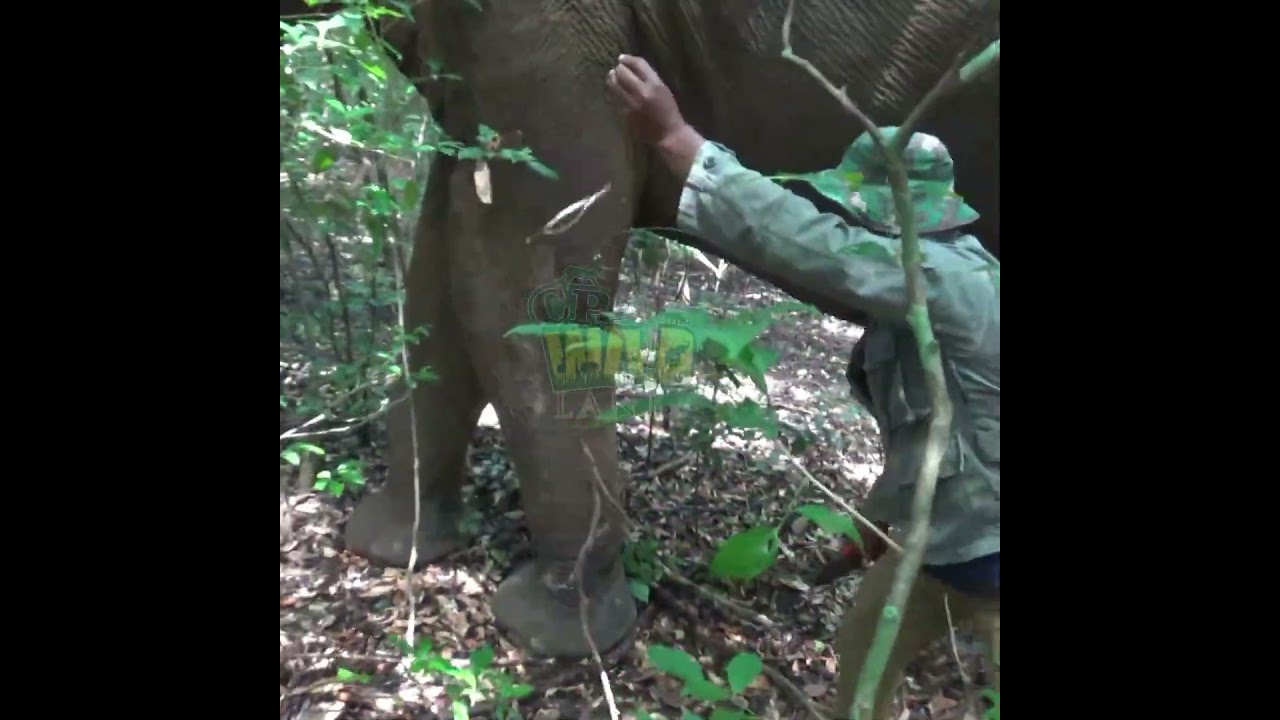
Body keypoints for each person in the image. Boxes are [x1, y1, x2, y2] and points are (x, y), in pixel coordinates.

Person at [606, 55, 1000, 718]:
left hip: (993, 555)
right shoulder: (912, 309)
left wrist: (679, 142)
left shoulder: (949, 281)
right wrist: (873, 524)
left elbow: (820, 248)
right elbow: (936, 432)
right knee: (860, 660)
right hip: (936, 549)